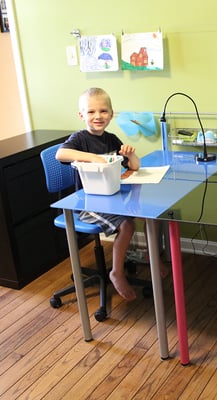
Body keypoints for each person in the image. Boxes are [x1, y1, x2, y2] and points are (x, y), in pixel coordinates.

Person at [56, 87, 158, 301]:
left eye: (103, 111)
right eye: (91, 112)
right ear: (81, 115)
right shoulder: (80, 139)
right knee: (127, 225)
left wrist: (131, 155)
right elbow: (61, 154)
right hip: (88, 205)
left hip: (112, 198)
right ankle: (116, 272)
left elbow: (135, 166)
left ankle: (152, 260)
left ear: (111, 114)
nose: (97, 116)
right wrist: (92, 158)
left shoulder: (111, 139)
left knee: (149, 213)